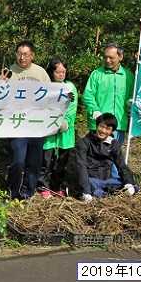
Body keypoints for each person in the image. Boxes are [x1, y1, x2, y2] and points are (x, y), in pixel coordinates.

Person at [4, 41, 50, 200]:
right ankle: (13, 191)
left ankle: (28, 191)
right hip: (17, 124)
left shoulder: (41, 72)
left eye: (26, 54)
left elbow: (51, 94)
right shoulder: (9, 71)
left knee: (34, 162)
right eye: (19, 54)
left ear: (32, 56)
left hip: (36, 124)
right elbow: (0, 94)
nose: (22, 57)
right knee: (17, 160)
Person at [38, 57, 78, 198]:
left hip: (65, 132)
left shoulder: (70, 87)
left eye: (63, 72)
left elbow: (72, 108)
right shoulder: (46, 87)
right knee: (46, 161)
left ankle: (59, 187)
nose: (61, 75)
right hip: (48, 132)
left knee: (63, 162)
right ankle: (44, 186)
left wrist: (65, 122)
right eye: (58, 72)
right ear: (51, 72)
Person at [76, 113, 138, 201]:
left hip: (108, 180)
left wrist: (129, 183)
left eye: (108, 129)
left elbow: (121, 165)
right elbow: (80, 166)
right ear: (97, 126)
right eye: (101, 127)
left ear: (112, 131)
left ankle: (115, 191)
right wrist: (86, 191)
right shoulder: (84, 142)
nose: (103, 131)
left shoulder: (113, 144)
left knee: (129, 184)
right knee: (87, 184)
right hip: (91, 179)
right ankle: (97, 193)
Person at [83, 43, 134, 143]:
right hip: (99, 125)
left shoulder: (128, 76)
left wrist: (131, 103)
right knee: (96, 156)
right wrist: (95, 111)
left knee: (114, 156)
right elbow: (88, 95)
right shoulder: (97, 74)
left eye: (111, 57)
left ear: (120, 57)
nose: (107, 60)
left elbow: (132, 96)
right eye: (105, 57)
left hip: (119, 125)